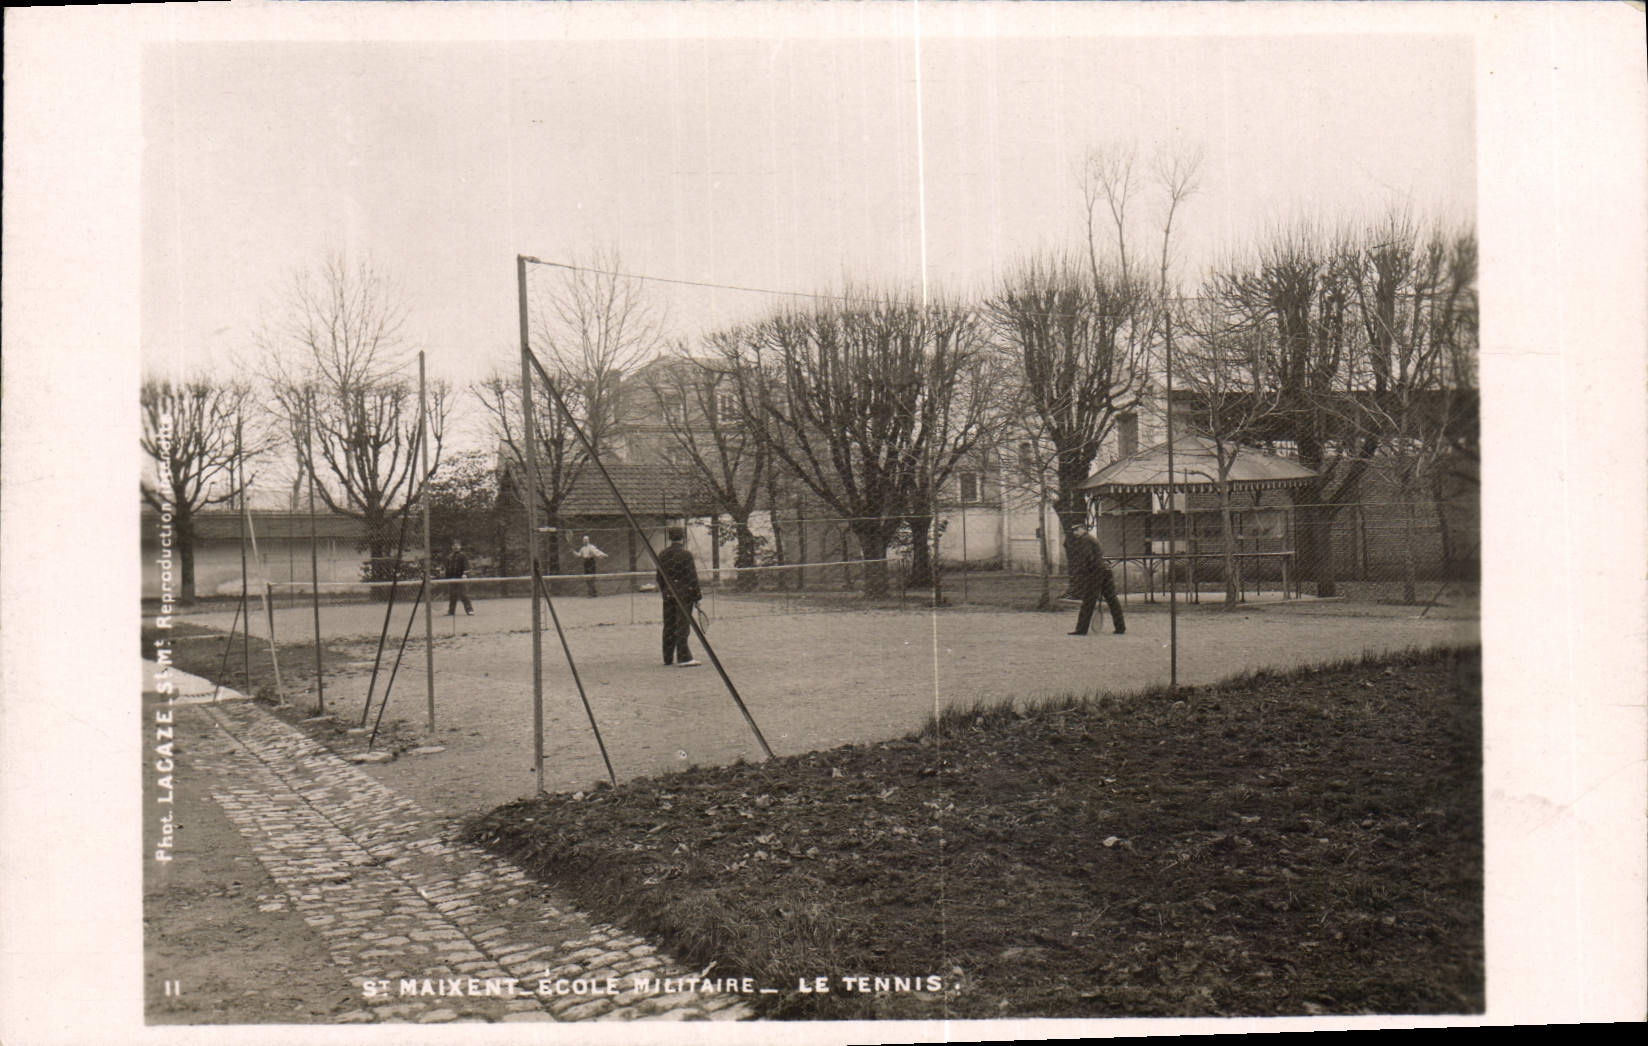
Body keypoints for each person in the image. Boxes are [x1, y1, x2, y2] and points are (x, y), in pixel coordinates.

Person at [655, 525, 702, 667]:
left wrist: (665, 591)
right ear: (683, 538)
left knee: (668, 625)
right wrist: (697, 596)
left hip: (668, 594)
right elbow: (692, 576)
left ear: (670, 538)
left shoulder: (662, 554)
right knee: (682, 625)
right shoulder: (686, 555)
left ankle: (667, 658)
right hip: (684, 594)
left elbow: (659, 577)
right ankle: (684, 657)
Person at [1067, 522, 1124, 636]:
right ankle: (1120, 627)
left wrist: (1082, 572)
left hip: (1095, 572)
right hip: (1105, 571)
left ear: (1083, 529)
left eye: (1076, 530)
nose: (1074, 533)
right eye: (1073, 530)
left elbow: (1087, 558)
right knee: (1112, 599)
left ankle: (1081, 629)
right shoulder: (1092, 539)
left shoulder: (1085, 540)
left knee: (1088, 601)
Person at [442, 540, 474, 616]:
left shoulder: (463, 556)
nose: (455, 547)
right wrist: (446, 577)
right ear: (451, 547)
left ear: (460, 547)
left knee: (464, 594)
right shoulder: (449, 557)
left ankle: (469, 610)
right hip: (452, 578)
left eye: (457, 545)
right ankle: (451, 611)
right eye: (454, 545)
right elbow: (447, 568)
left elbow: (467, 566)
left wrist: (464, 574)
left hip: (461, 578)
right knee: (452, 595)